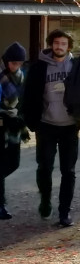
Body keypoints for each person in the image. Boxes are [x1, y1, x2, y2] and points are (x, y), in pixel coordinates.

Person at [23, 29, 80, 227]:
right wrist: (31, 122)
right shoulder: (39, 68)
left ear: (69, 46)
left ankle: (65, 212)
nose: (59, 46)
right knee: (45, 167)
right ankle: (45, 201)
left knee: (69, 171)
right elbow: (28, 94)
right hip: (46, 125)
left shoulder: (76, 66)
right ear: (51, 44)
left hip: (70, 126)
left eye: (63, 43)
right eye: (56, 43)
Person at [0, 42, 29, 220]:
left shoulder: (22, 77)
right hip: (2, 124)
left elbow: (24, 101)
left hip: (15, 126)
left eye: (18, 63)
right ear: (6, 61)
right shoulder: (0, 77)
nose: (15, 66)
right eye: (12, 63)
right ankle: (1, 204)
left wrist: (22, 118)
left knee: (13, 163)